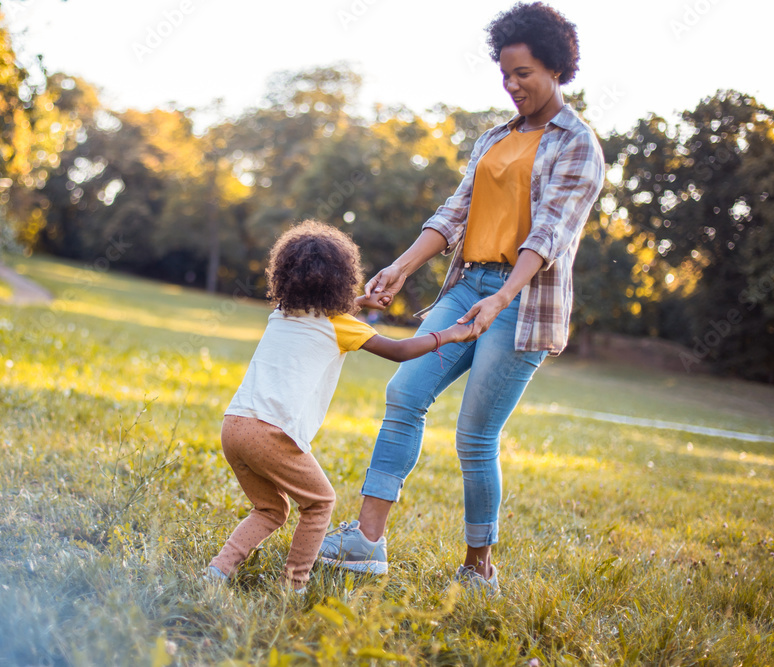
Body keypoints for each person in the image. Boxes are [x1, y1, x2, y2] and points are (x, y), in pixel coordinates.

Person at [318, 1, 606, 596]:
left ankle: (479, 568)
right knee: (405, 393)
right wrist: (399, 267)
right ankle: (367, 542)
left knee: (475, 434)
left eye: (523, 72)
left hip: (520, 301)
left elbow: (549, 232)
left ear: (555, 67)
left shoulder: (578, 145)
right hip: (466, 284)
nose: (512, 84)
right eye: (504, 73)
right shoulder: (494, 139)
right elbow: (455, 213)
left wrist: (502, 297)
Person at [205, 220, 471, 592]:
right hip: (271, 431)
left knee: (270, 509)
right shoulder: (342, 326)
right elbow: (398, 351)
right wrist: (449, 334)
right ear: (343, 279)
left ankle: (218, 571)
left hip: (234, 426)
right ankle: (293, 586)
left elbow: (329, 318)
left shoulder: (281, 312)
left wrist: (359, 305)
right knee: (319, 503)